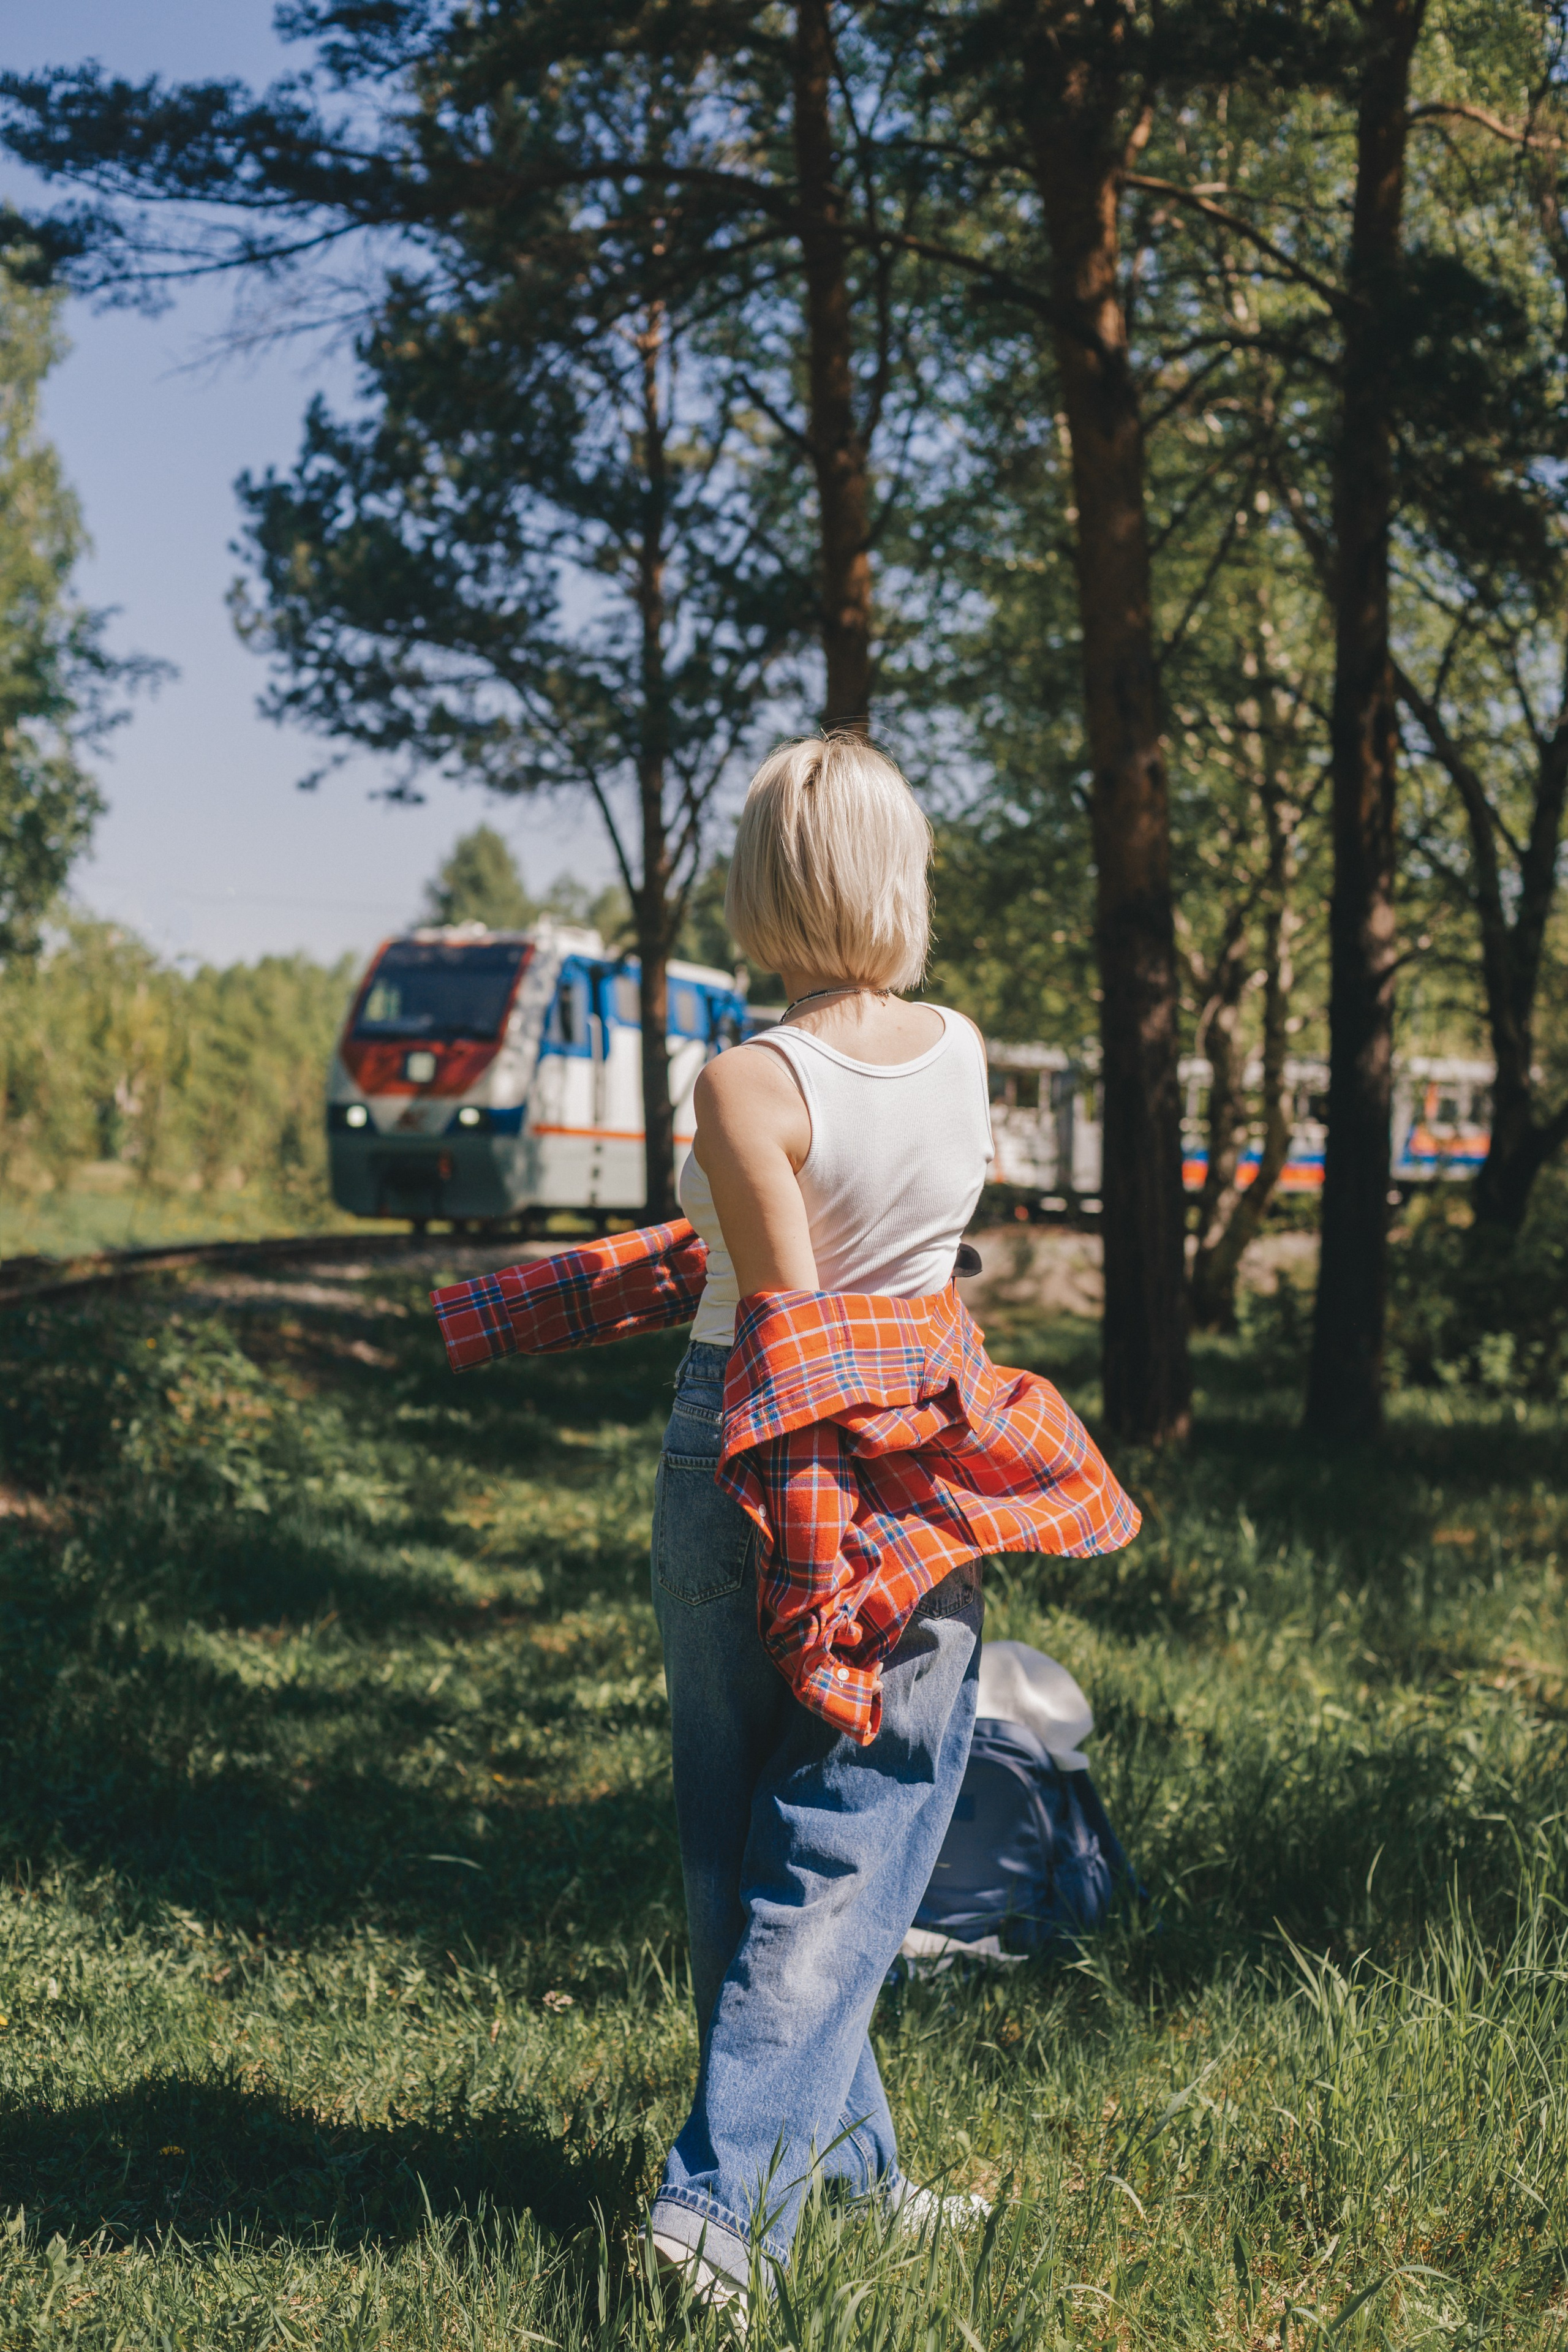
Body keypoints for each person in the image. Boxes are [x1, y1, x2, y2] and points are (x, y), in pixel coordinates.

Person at [646, 733, 1012, 2311]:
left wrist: (805, 1550)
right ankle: (797, 2188)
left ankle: (734, 2207)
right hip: (919, 1450)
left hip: (745, 1448)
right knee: (855, 1835)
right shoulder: (966, 1050)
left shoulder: (741, 1079)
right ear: (897, 874)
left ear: (762, 882)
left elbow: (785, 1329)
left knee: (752, 1844)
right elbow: (893, 1280)